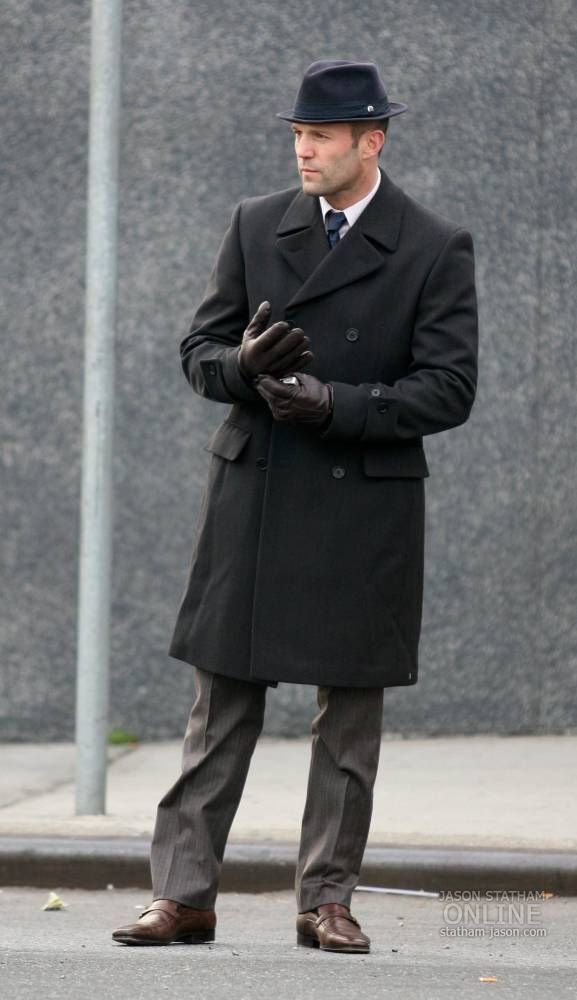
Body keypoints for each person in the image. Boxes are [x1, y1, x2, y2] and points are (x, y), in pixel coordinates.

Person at [113, 59, 478, 953]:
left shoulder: (431, 245)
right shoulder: (254, 225)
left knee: (347, 718)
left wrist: (339, 406)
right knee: (221, 703)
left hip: (364, 505)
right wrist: (241, 367)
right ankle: (183, 895)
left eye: (320, 137)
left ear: (370, 142)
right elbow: (197, 349)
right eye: (298, 136)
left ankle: (327, 899)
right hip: (258, 490)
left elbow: (450, 388)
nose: (303, 151)